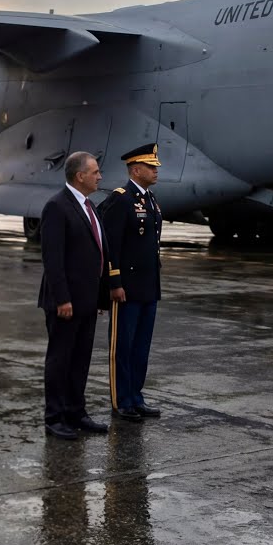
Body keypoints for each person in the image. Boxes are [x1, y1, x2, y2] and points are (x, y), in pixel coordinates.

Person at [38, 151, 113, 440]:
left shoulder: (88, 206)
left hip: (87, 300)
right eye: (95, 172)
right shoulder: (57, 206)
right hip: (65, 302)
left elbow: (96, 253)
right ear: (80, 176)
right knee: (60, 359)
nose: (100, 176)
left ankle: (76, 412)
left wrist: (100, 299)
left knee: (80, 359)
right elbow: (52, 259)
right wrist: (63, 299)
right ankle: (55, 417)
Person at [98, 143, 164, 422]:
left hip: (148, 286)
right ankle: (121, 401)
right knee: (122, 346)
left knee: (141, 347)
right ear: (136, 169)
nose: (155, 171)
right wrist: (115, 281)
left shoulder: (150, 200)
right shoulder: (121, 199)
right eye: (151, 167)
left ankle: (136, 396)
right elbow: (111, 243)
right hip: (126, 288)